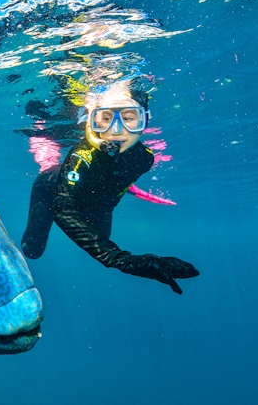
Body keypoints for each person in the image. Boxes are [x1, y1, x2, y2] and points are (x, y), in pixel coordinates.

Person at [21, 80, 199, 294]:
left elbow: (117, 177)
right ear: (92, 121)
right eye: (105, 119)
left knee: (102, 237)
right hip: (52, 190)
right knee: (32, 251)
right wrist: (121, 260)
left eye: (129, 119)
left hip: (100, 203)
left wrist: (128, 189)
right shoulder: (82, 156)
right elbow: (65, 210)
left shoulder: (144, 159)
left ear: (144, 122)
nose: (116, 131)